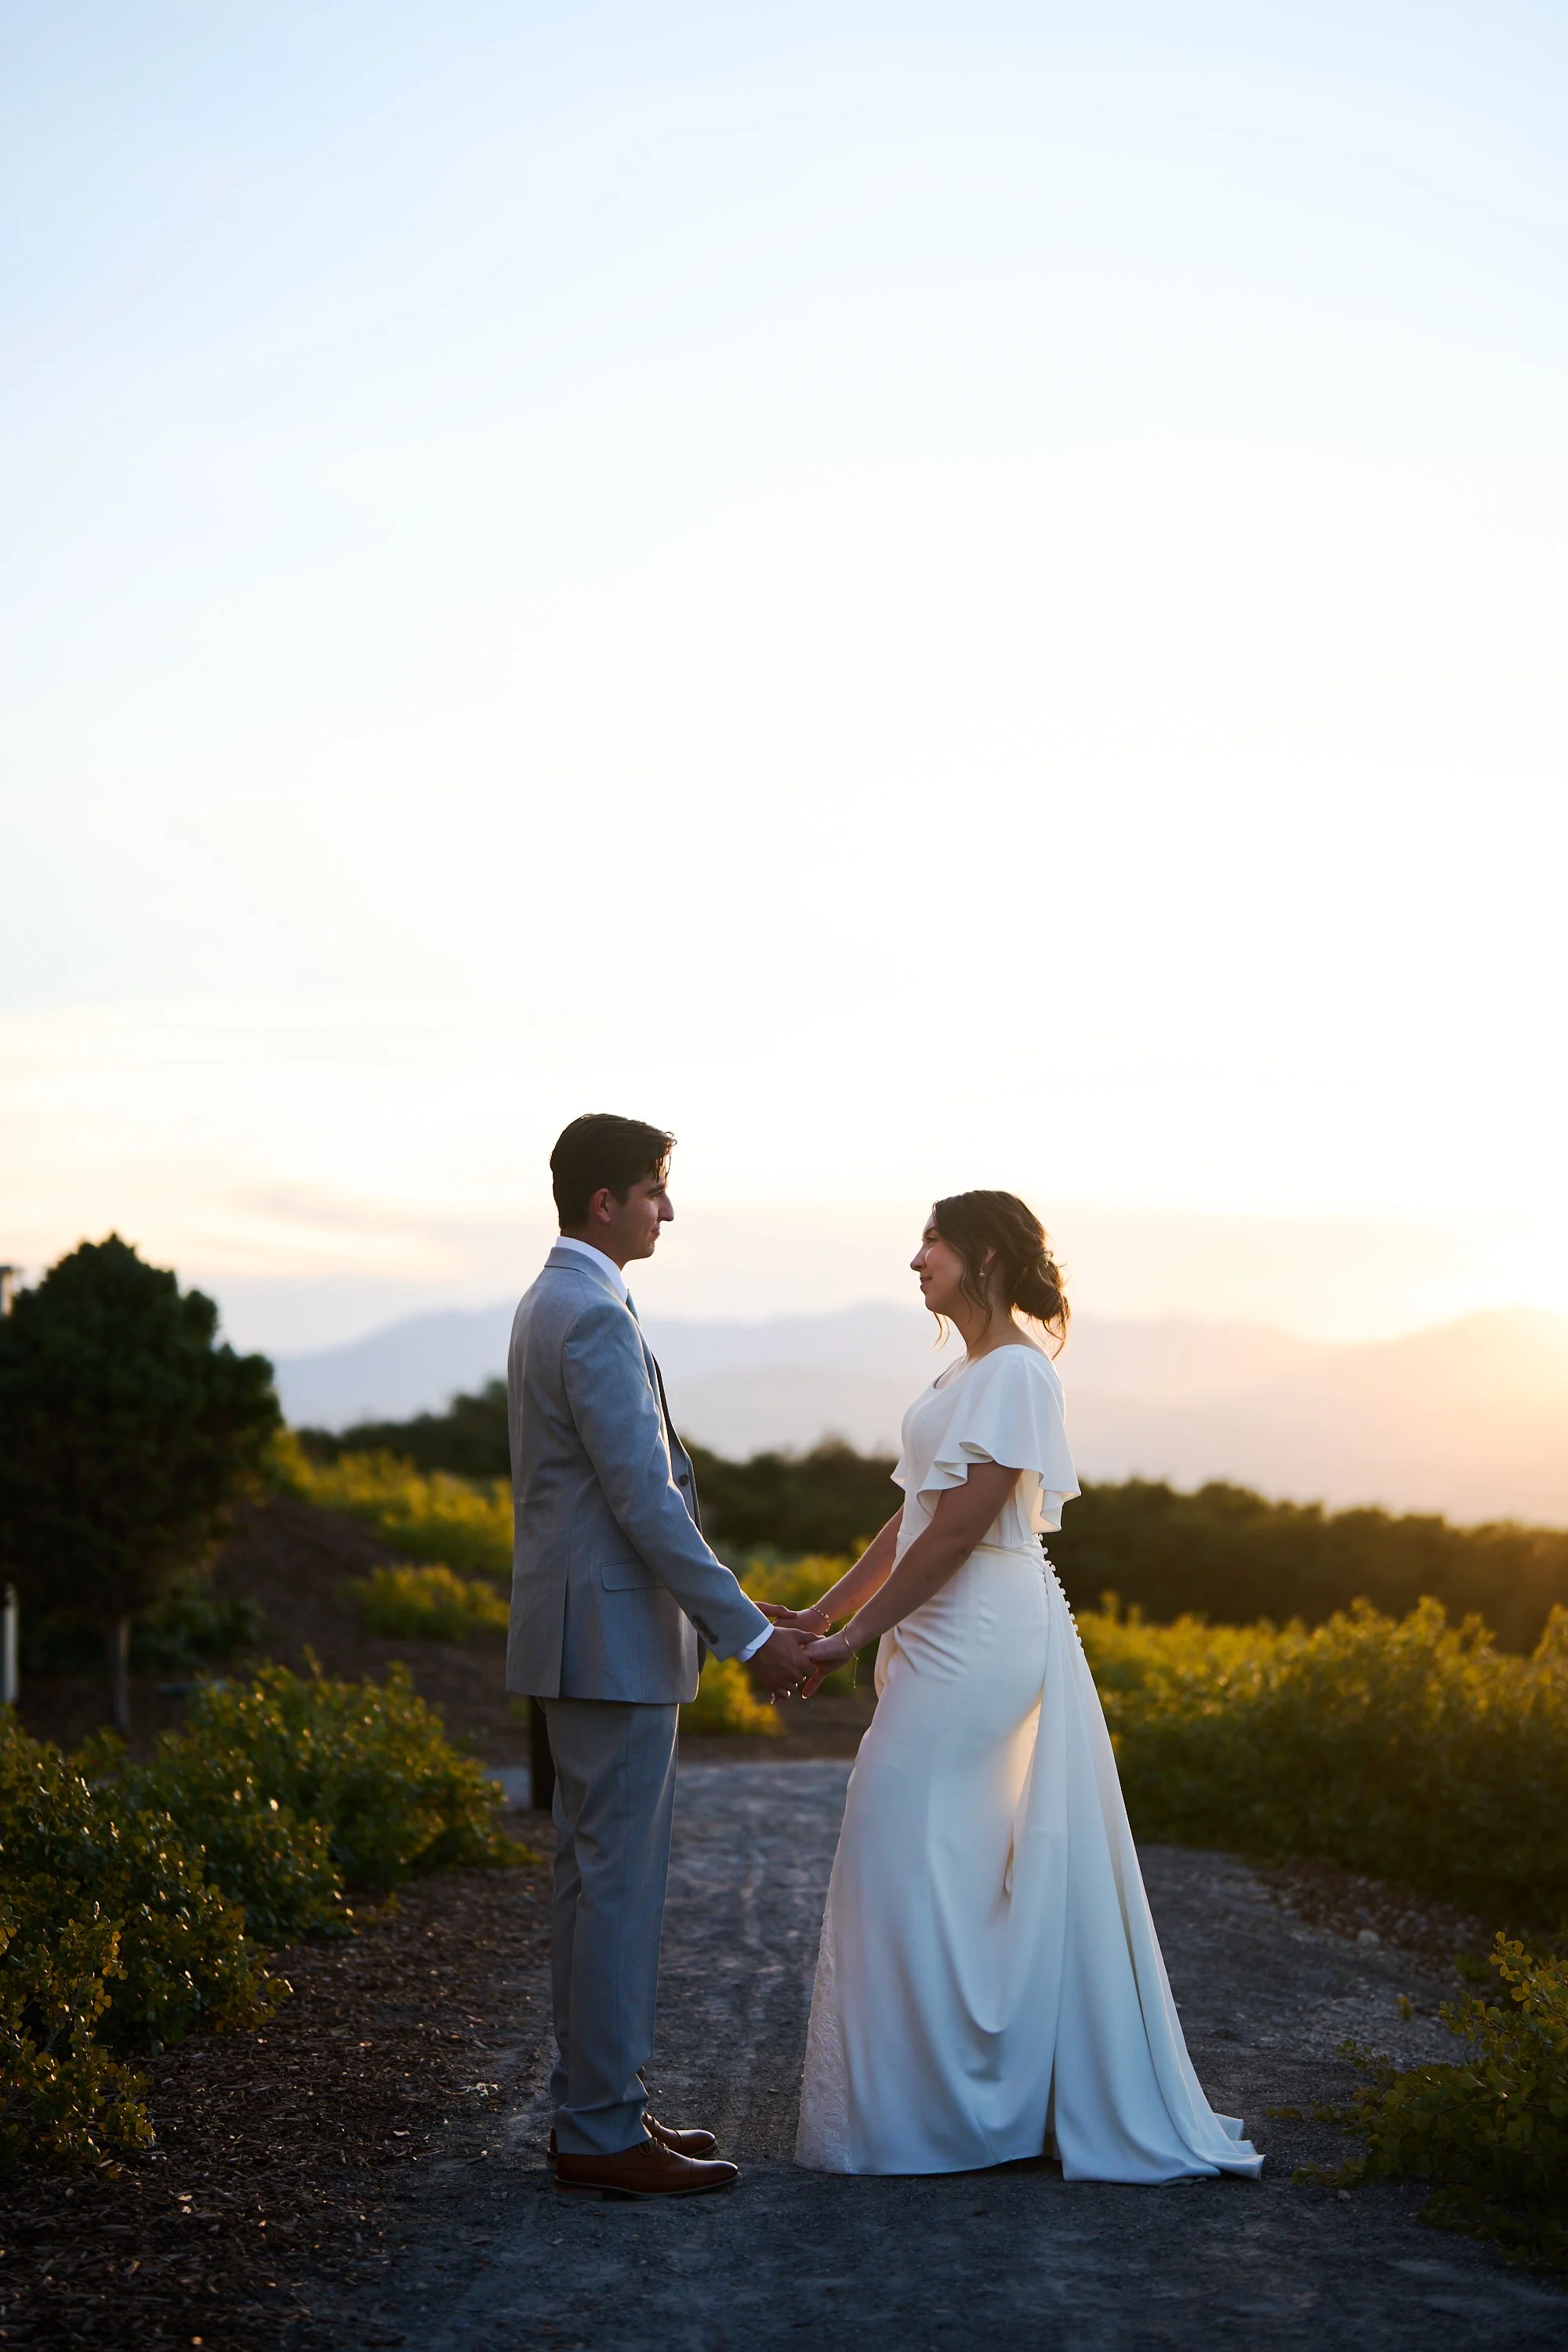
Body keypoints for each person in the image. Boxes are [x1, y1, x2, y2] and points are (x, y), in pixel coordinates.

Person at [781, 1190, 1263, 2183]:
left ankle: (955, 2111)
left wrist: (860, 1634)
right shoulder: (962, 1371)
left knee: (898, 1838)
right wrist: (824, 1615)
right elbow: (909, 1520)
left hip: (982, 1632)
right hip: (935, 1627)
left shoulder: (1015, 1373)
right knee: (924, 1854)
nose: (914, 1261)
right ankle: (951, 2102)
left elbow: (961, 1532)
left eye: (931, 1244)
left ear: (984, 1256)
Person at [506, 1113, 815, 2200]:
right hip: (612, 1643)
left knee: (592, 1886)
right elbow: (642, 1499)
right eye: (653, 1192)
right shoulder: (588, 1312)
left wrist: (737, 1601)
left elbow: (613, 1500)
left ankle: (601, 2110)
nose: (666, 1210)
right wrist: (750, 1637)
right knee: (615, 1889)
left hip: (591, 1633)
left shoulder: (560, 1298)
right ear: (606, 1204)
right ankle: (597, 2130)